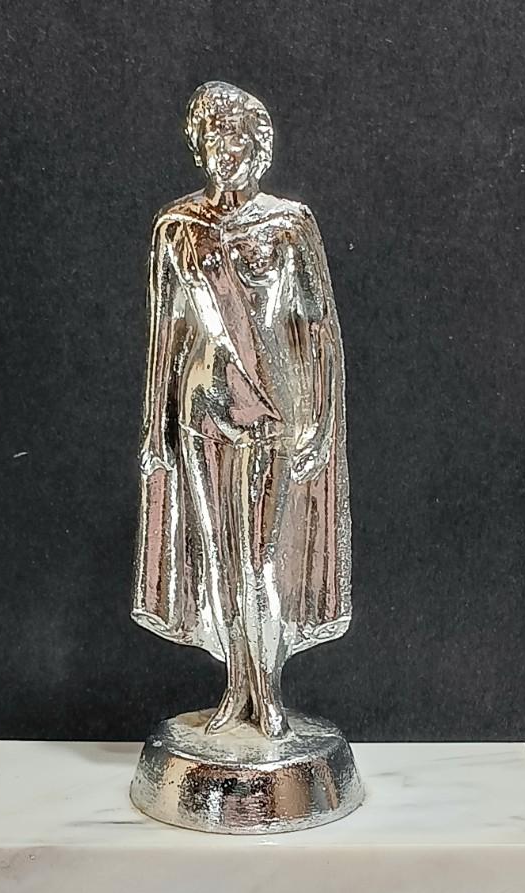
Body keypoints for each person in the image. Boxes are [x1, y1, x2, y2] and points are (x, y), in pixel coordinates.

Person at [133, 81, 351, 739]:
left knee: (260, 560)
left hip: (273, 409)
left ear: (260, 146)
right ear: (199, 147)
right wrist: (154, 426)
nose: (227, 151)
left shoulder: (289, 225)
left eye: (238, 138)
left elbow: (319, 327)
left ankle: (267, 691)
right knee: (219, 558)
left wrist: (321, 419)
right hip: (202, 410)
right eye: (215, 138)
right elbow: (166, 331)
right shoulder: (178, 228)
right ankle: (237, 691)